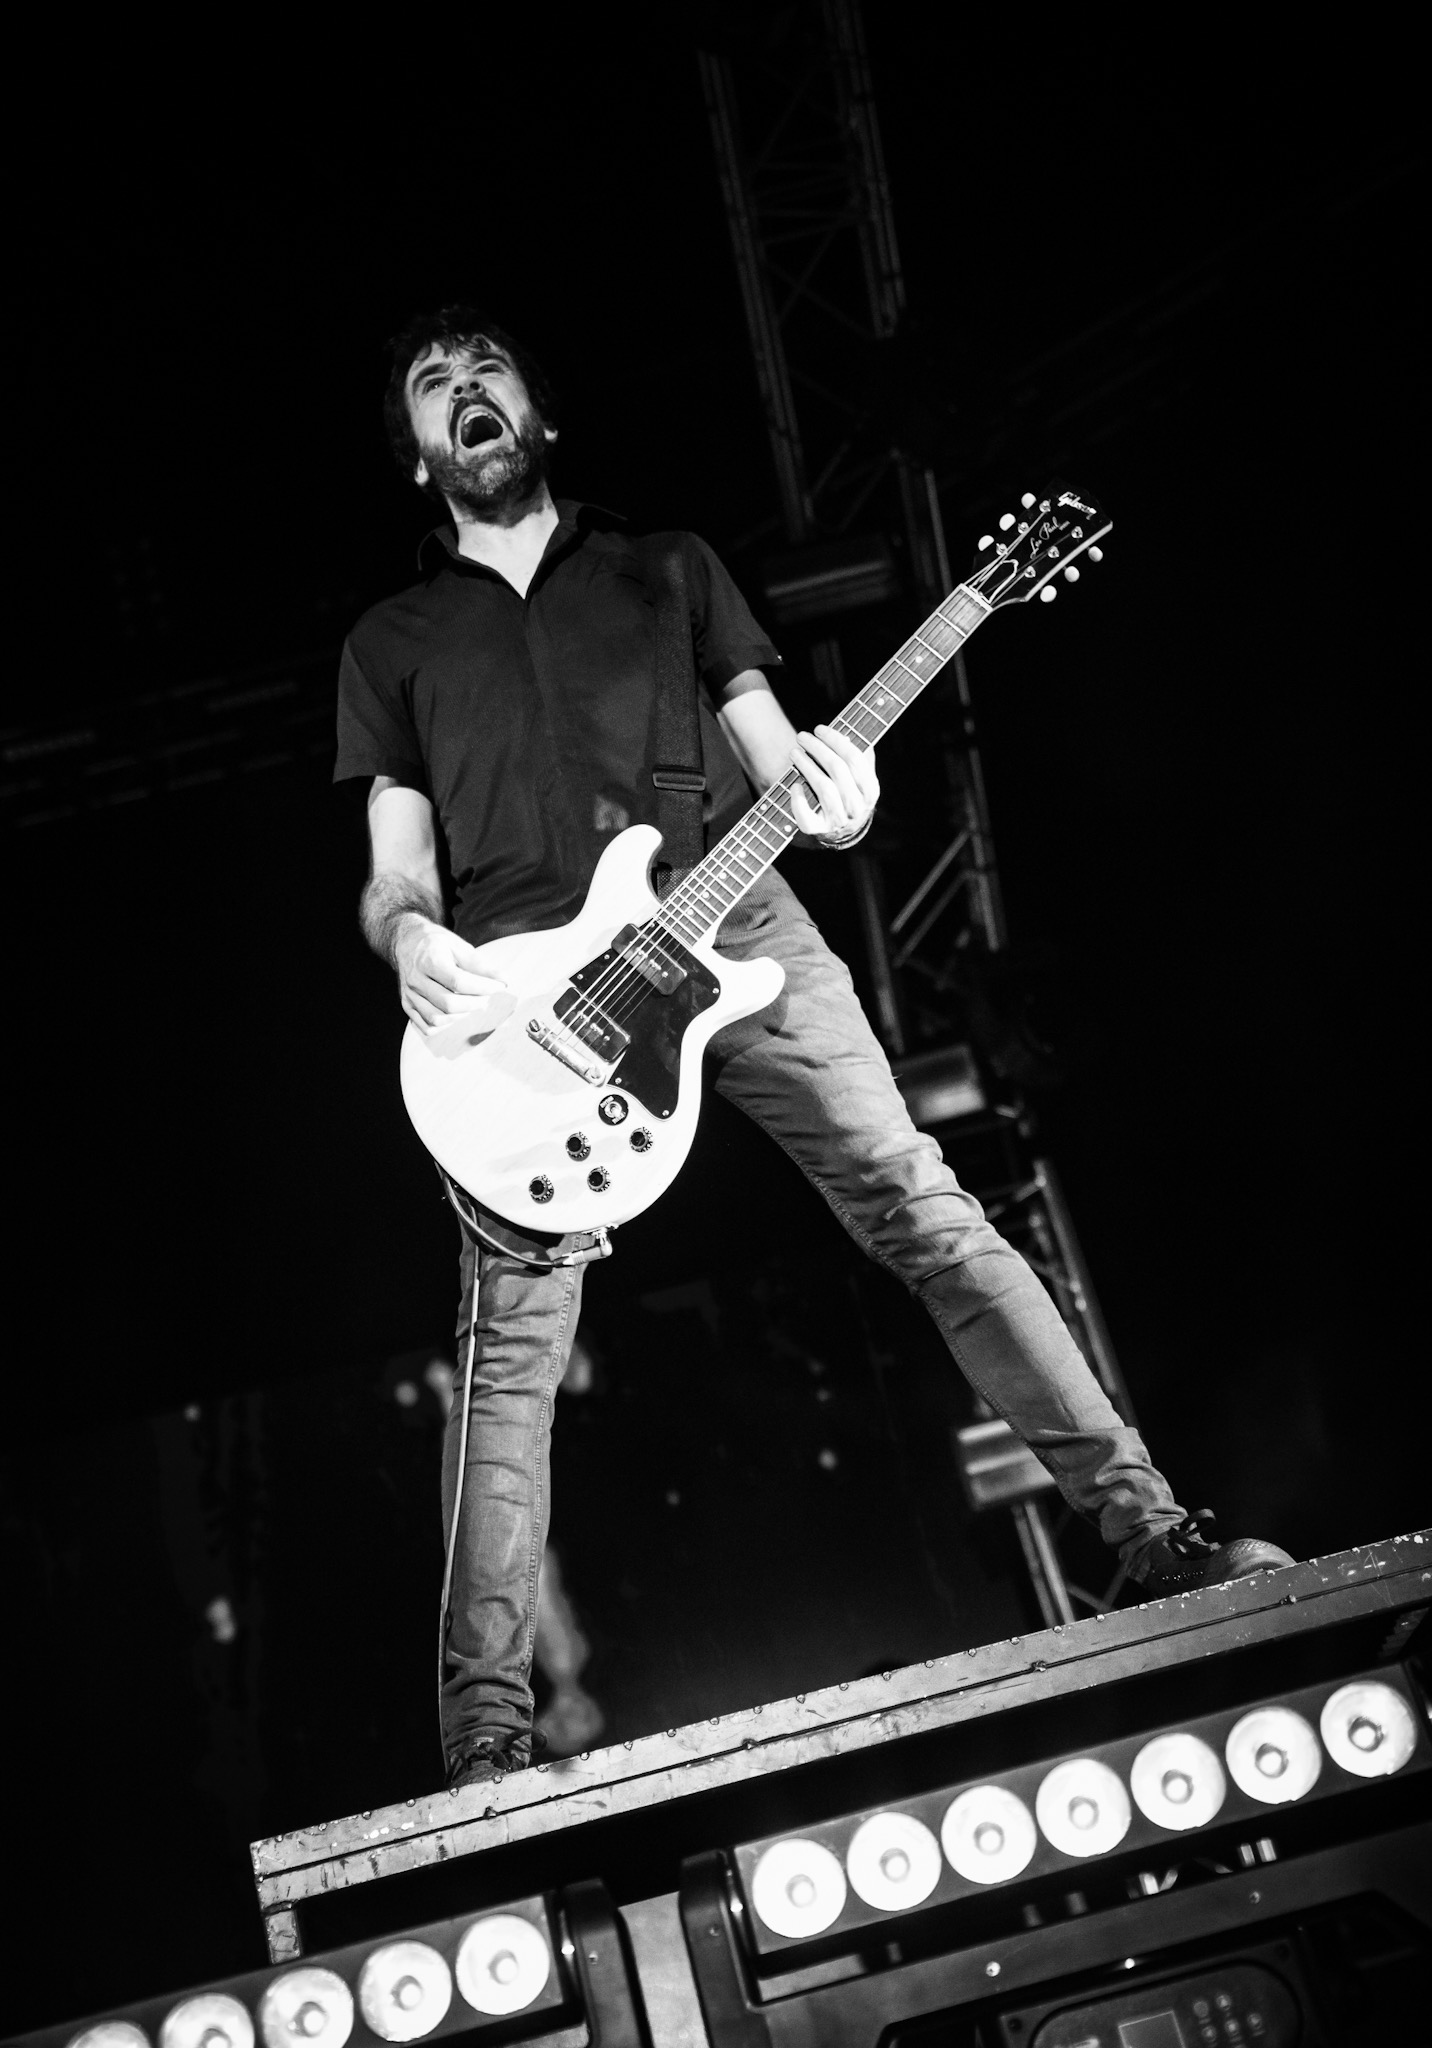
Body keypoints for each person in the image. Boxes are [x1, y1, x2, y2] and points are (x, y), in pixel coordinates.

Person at [336, 306, 1293, 1791]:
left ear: (538, 414)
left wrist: (834, 796)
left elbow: (784, 758)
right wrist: (409, 943)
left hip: (738, 918)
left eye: (488, 370)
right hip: (532, 1002)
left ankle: (1156, 1538)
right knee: (510, 1362)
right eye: (432, 381)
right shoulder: (390, 644)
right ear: (415, 453)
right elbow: (396, 869)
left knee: (922, 1205)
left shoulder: (669, 566)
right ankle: (485, 1737)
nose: (465, 388)